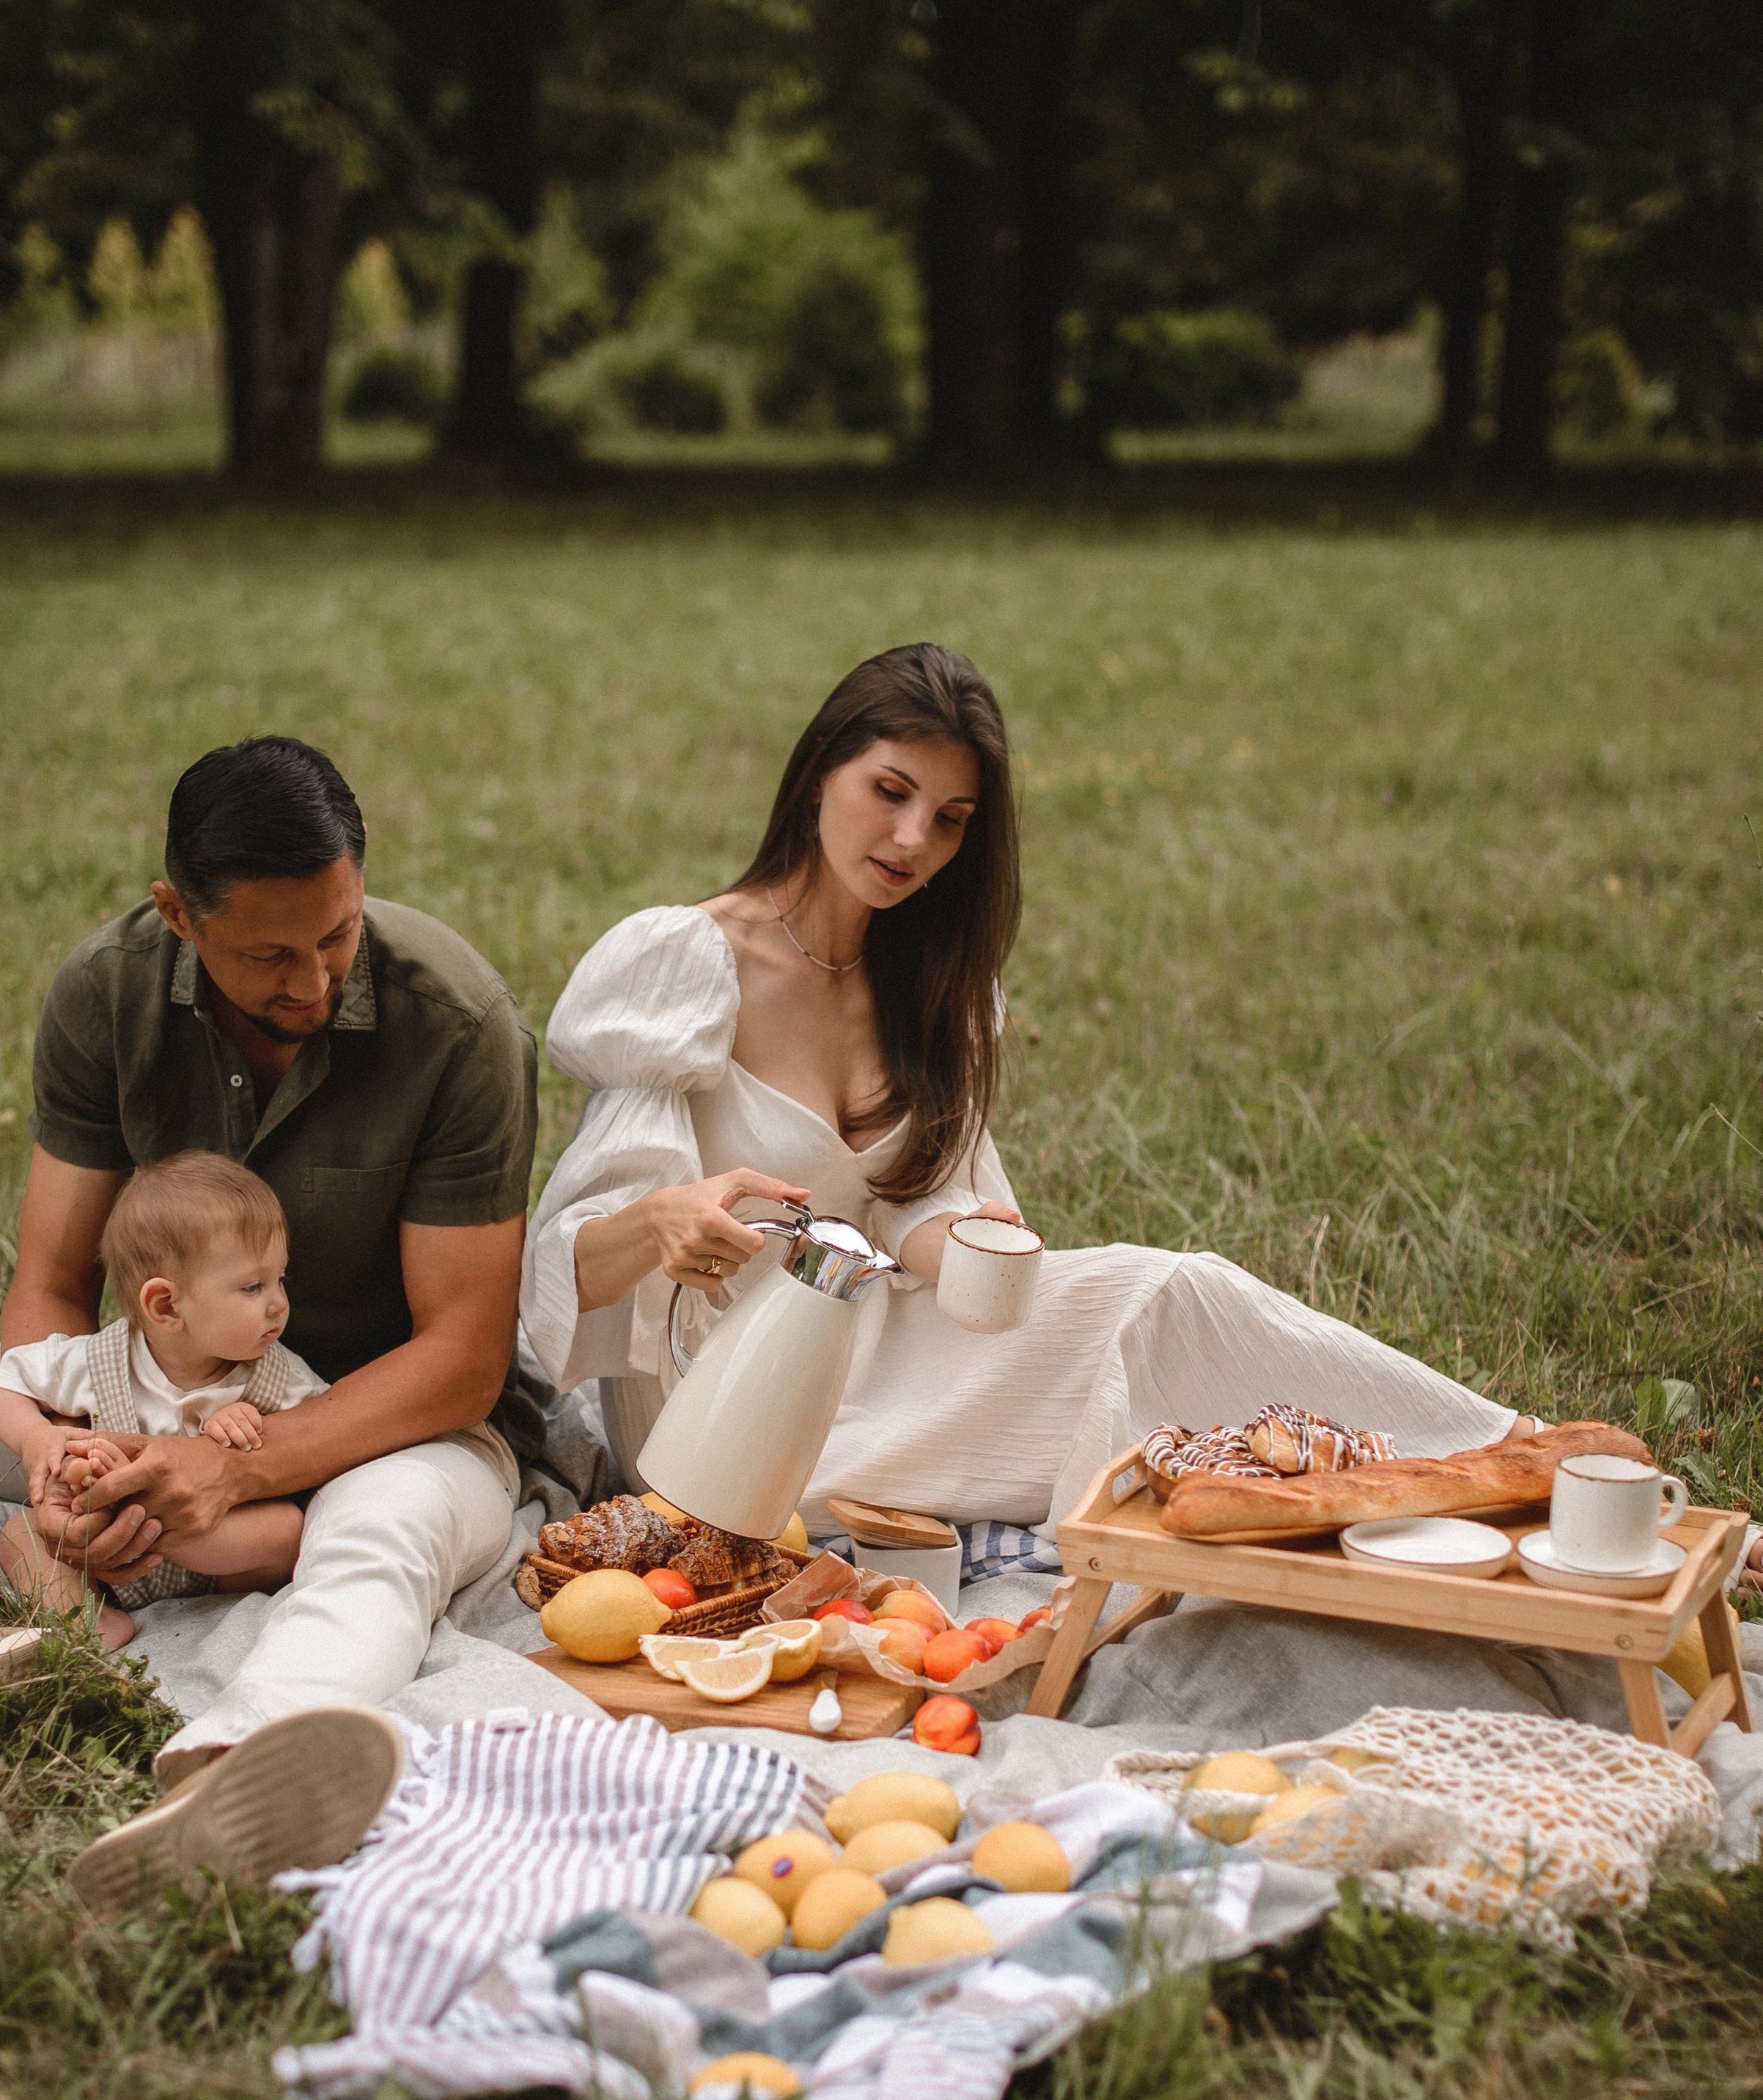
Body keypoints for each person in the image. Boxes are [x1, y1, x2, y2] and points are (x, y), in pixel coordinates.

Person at [523, 643, 1533, 1532]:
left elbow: (914, 1207)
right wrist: (663, 1220)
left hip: (887, 1356)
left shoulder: (930, 983)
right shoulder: (688, 967)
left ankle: (1494, 1455)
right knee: (1131, 1411)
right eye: (891, 789)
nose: (914, 839)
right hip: (720, 1405)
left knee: (1163, 1290)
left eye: (950, 818)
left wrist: (961, 1245)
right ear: (820, 771)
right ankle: (1448, 1474)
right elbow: (561, 1267)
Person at [0, 734, 547, 1792]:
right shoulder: (109, 992)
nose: (316, 978)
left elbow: (465, 1357)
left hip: (398, 1437)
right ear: (178, 916)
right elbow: (52, 1284)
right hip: (144, 1417)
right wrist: (73, 1466)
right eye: (271, 956)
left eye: (337, 935)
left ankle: (232, 1761)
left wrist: (237, 1465)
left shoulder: (458, 1023)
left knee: (377, 1533)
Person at [0, 1152, 327, 1649]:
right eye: (253, 1286)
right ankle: (85, 1623)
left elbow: (323, 1442)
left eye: (281, 1279)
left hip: (218, 1562)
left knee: (289, 1529)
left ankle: (169, 1555)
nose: (277, 1302)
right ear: (166, 1305)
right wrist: (39, 1437)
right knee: (21, 1532)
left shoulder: (276, 1376)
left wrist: (256, 1431)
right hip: (105, 1553)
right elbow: (5, 1385)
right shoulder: (99, 1360)